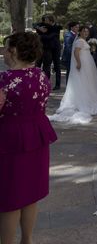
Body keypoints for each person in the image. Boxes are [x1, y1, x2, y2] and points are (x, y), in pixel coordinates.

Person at [0, 32, 58, 244]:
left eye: (6, 48)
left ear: (14, 51)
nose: (4, 53)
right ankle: (27, 240)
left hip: (10, 140)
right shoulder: (41, 75)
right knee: (29, 194)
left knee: (9, 198)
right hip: (37, 137)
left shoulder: (5, 80)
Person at [49, 26, 97, 124]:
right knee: (83, 81)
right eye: (84, 31)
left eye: (87, 31)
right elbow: (76, 53)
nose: (86, 33)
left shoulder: (84, 40)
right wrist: (79, 63)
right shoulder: (79, 41)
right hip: (83, 64)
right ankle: (83, 102)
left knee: (87, 82)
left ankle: (88, 99)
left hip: (87, 64)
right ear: (80, 32)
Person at [34, 14, 62, 89]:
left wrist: (39, 35)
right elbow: (34, 24)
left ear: (51, 20)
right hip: (47, 49)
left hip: (55, 49)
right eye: (44, 20)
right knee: (46, 66)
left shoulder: (56, 27)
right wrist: (39, 28)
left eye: (46, 20)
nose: (44, 22)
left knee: (57, 66)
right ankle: (44, 83)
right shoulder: (43, 26)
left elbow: (50, 37)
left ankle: (57, 84)